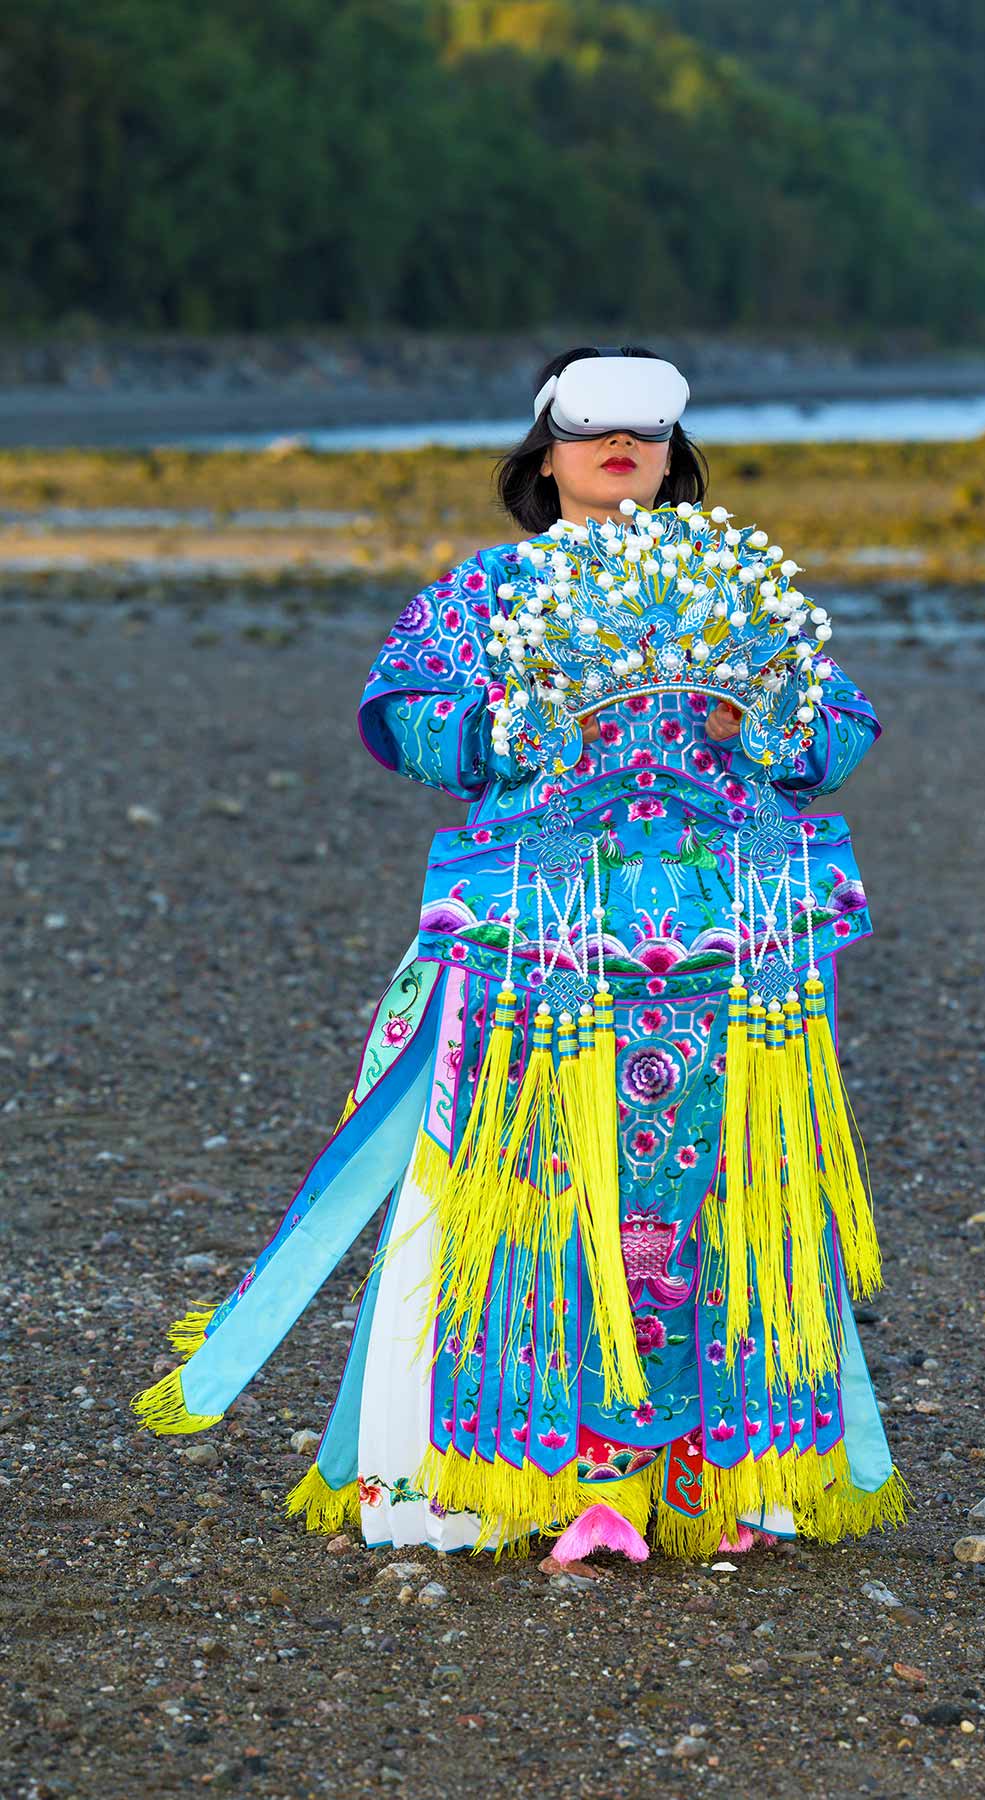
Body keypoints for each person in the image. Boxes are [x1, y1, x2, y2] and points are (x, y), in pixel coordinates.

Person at [132, 344, 907, 1566]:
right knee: (539, 1189)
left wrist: (756, 720)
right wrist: (510, 722)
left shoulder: (736, 595)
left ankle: (711, 1479)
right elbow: (405, 724)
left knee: (716, 1188)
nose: (622, 451)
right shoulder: (484, 591)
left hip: (726, 951)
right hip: (539, 945)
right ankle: (546, 1481)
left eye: (646, 437)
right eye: (594, 431)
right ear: (544, 450)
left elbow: (839, 736)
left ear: (674, 455)